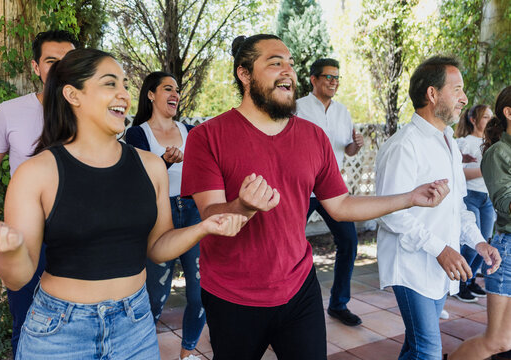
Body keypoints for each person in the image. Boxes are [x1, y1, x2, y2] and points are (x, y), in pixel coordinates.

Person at [181, 34, 451, 360]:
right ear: (244, 73)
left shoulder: (313, 137)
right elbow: (210, 215)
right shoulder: (207, 137)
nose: (288, 71)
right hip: (232, 296)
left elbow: (341, 206)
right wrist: (242, 206)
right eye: (274, 62)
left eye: (291, 64)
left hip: (299, 289)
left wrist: (410, 197)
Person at [0, 48, 246, 359]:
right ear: (73, 95)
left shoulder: (151, 167)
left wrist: (204, 227)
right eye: (110, 84)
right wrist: (11, 248)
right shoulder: (36, 173)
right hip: (59, 332)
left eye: (125, 85)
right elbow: (17, 276)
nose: (124, 95)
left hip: (136, 327)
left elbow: (158, 246)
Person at [375, 56, 501, 360]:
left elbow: (456, 205)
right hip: (410, 265)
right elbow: (390, 213)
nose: (464, 98)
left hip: (435, 265)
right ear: (432, 94)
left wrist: (478, 241)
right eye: (456, 89)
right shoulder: (404, 145)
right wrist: (441, 249)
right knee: (427, 351)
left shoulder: (446, 138)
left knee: (415, 346)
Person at [0, 30, 78, 356]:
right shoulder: (10, 111)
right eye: (51, 61)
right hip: (28, 235)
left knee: (78, 324)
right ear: (35, 67)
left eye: (69, 61)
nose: (61, 69)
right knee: (27, 321)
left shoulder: (92, 111)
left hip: (79, 234)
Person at [125, 71, 203, 360]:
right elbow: (137, 180)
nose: (175, 94)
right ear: (150, 94)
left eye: (178, 90)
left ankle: (188, 353)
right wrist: (163, 162)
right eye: (167, 88)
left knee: (200, 295)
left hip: (193, 211)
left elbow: (204, 172)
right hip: (160, 215)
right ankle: (139, 351)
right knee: (155, 298)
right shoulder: (137, 134)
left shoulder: (191, 132)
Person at [296, 58, 364, 326]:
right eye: (328, 77)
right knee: (285, 243)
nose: (334, 82)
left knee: (349, 242)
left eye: (337, 78)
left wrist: (355, 146)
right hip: (301, 188)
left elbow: (347, 149)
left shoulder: (343, 112)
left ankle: (338, 304)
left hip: (332, 189)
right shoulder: (297, 108)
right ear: (313, 79)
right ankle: (279, 305)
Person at [448, 86, 511, 359]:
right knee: (498, 341)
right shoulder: (498, 153)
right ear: (509, 112)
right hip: (508, 252)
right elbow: (505, 203)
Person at [454, 104, 496, 302]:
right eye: (485, 116)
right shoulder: (465, 142)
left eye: (490, 116)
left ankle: (470, 280)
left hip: (487, 198)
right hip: (470, 196)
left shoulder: (492, 141)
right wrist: (485, 169)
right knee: (472, 243)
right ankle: (459, 283)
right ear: (473, 119)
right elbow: (457, 172)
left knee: (485, 240)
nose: (489, 120)